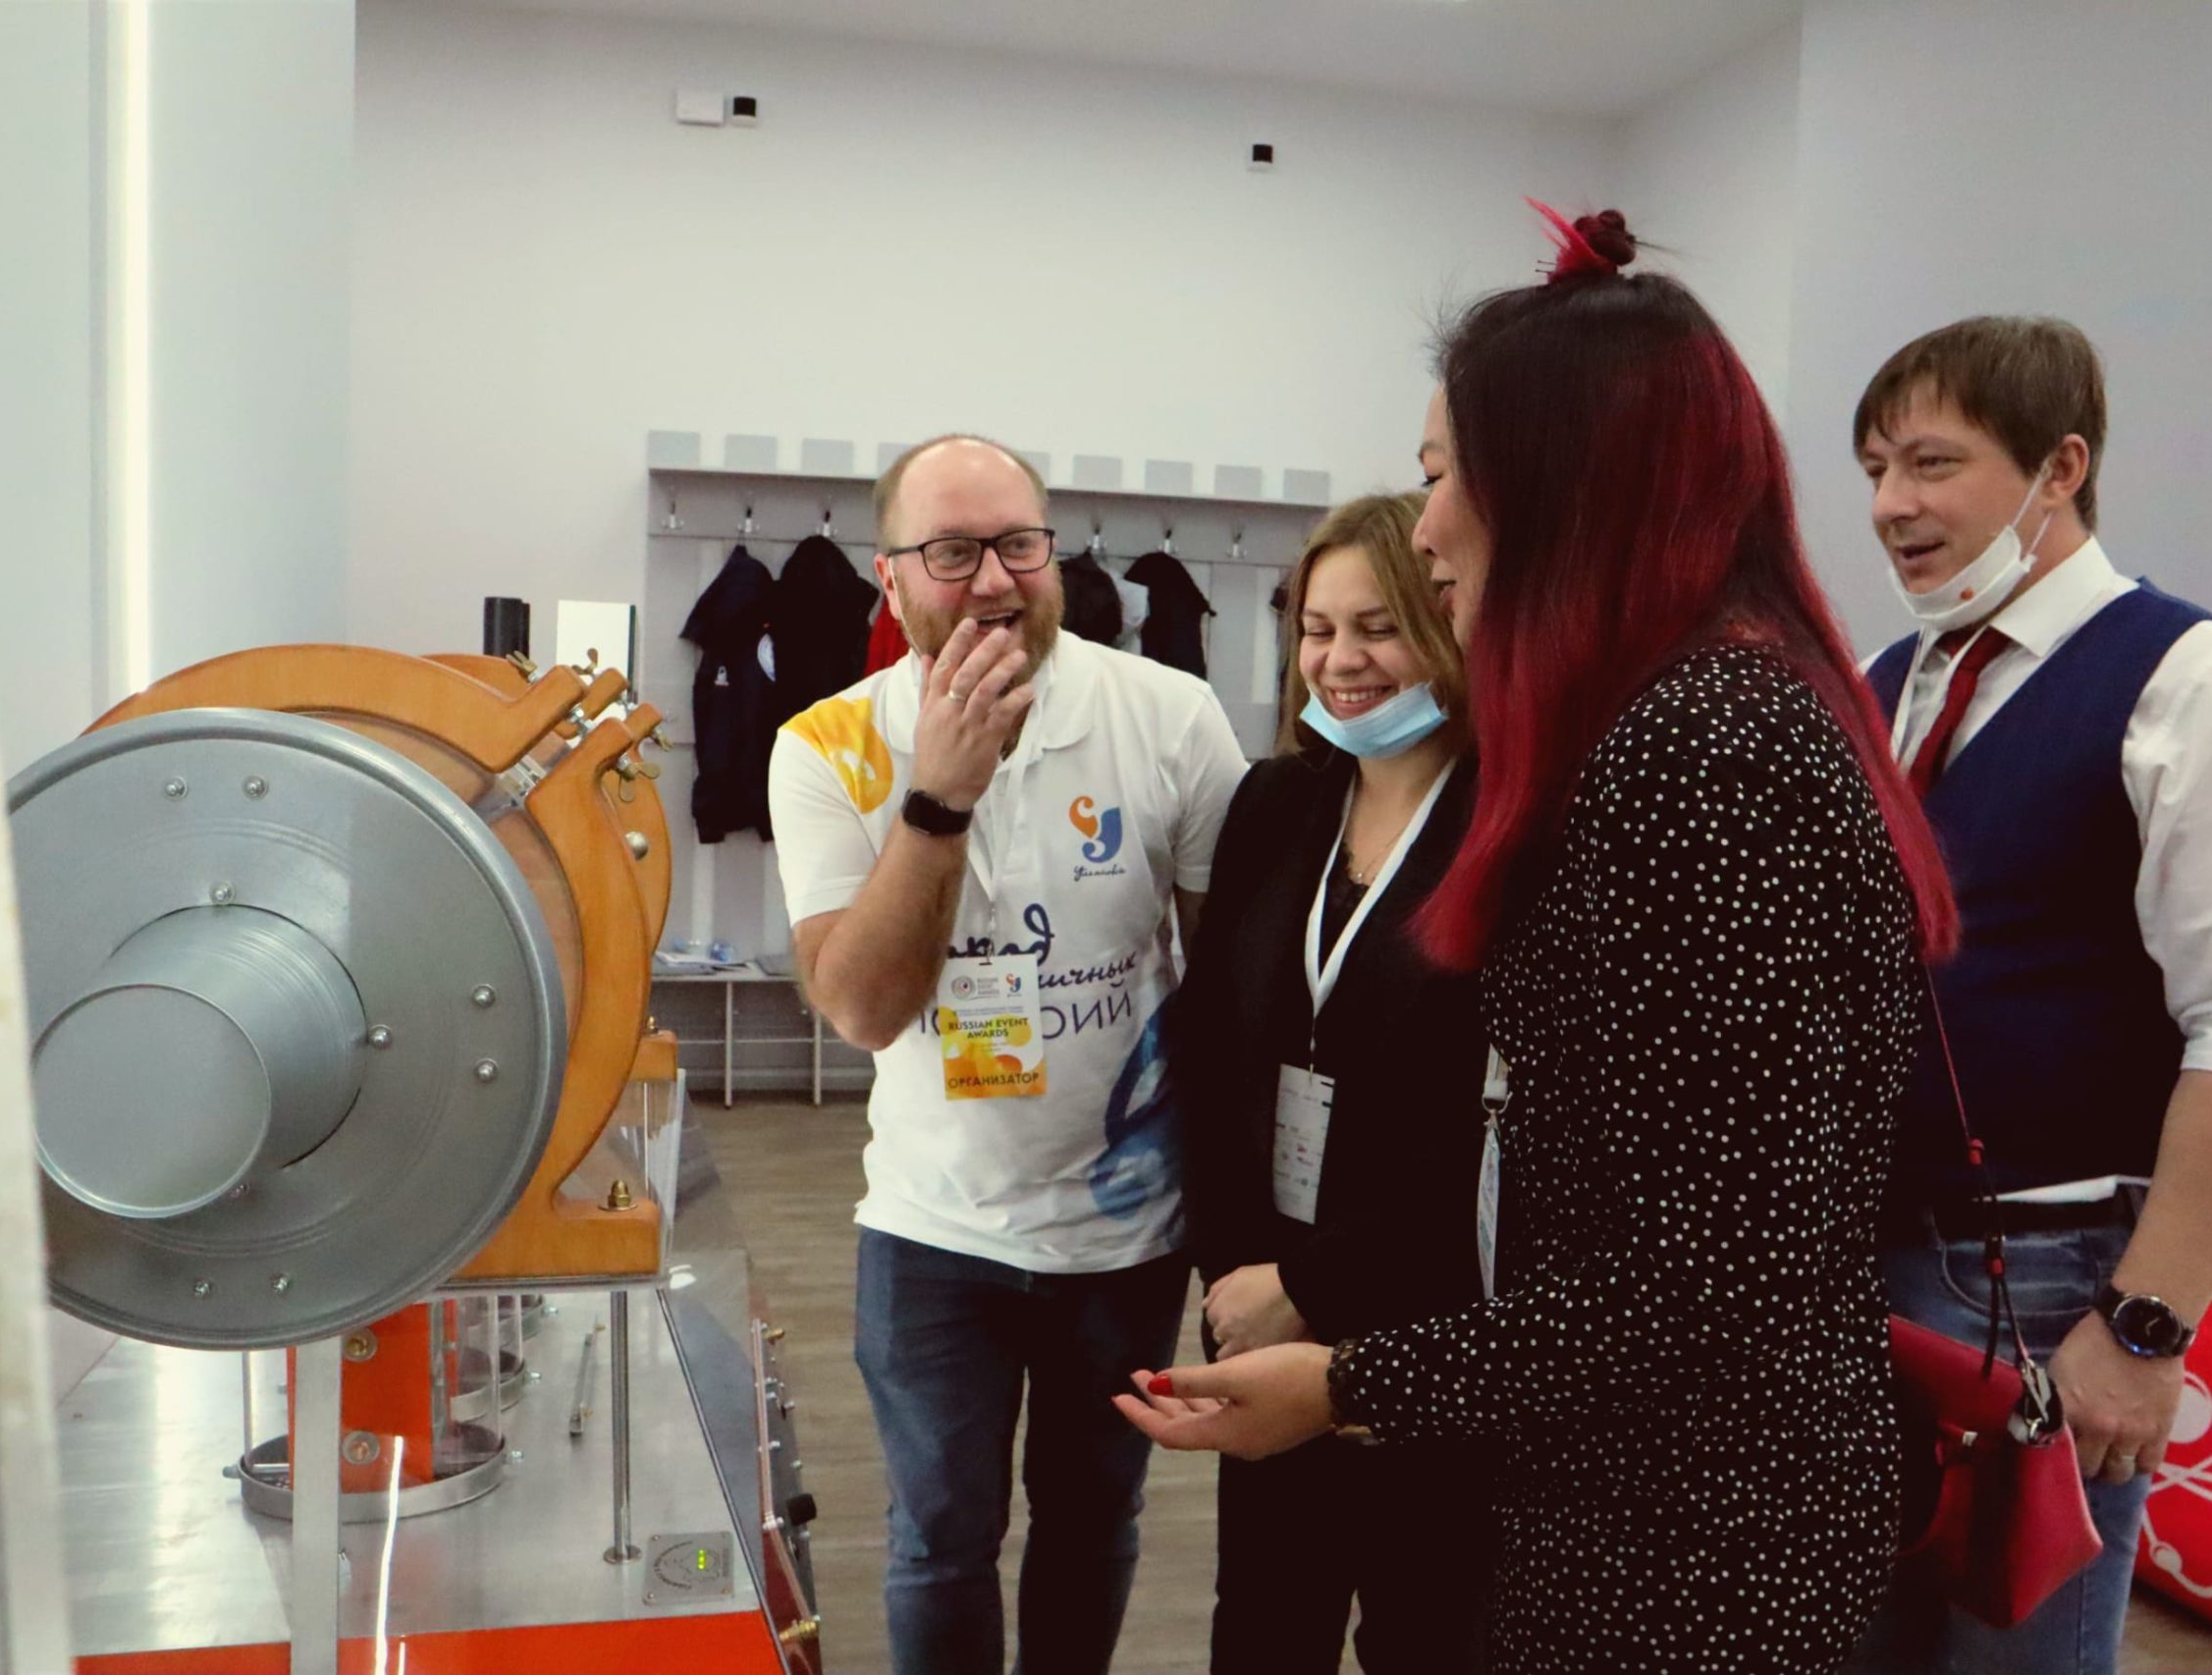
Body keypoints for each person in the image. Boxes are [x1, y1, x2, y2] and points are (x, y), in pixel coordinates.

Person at [1113, 205, 1960, 1674]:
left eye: (1444, 475)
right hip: (1643, 1494)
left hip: (1689, 1541)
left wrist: (1350, 1381)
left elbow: (1704, 1284)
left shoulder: (1706, 747)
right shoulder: (1690, 723)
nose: (1428, 524)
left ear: (1563, 485)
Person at [1843, 317, 2212, 1674]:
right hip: (1865, 1261)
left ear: (2060, 469)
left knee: (2017, 1651)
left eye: (1931, 462)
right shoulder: (1892, 681)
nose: (1890, 504)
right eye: (1876, 468)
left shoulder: (2204, 681)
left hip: (2045, 1271)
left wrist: (2144, 1322)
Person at [768, 434, 1249, 1675]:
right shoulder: (826, 744)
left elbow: (1235, 991)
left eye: (1018, 544)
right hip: (934, 1228)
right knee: (939, 1538)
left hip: (1125, 1232)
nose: (992, 579)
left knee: (1093, 1520)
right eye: (952, 551)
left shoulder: (1168, 716)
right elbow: (862, 1009)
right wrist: (937, 797)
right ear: (889, 578)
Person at [1171, 491, 1490, 1673]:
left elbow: (1480, 1126)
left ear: (1447, 624)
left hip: (1433, 1329)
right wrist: (1237, 1278)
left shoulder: (1513, 823)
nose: (1340, 660)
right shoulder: (1276, 803)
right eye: (1315, 628)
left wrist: (1314, 1285)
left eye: (1377, 626)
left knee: (1428, 1633)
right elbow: (1212, 1057)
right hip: (1257, 1315)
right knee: (1262, 1626)